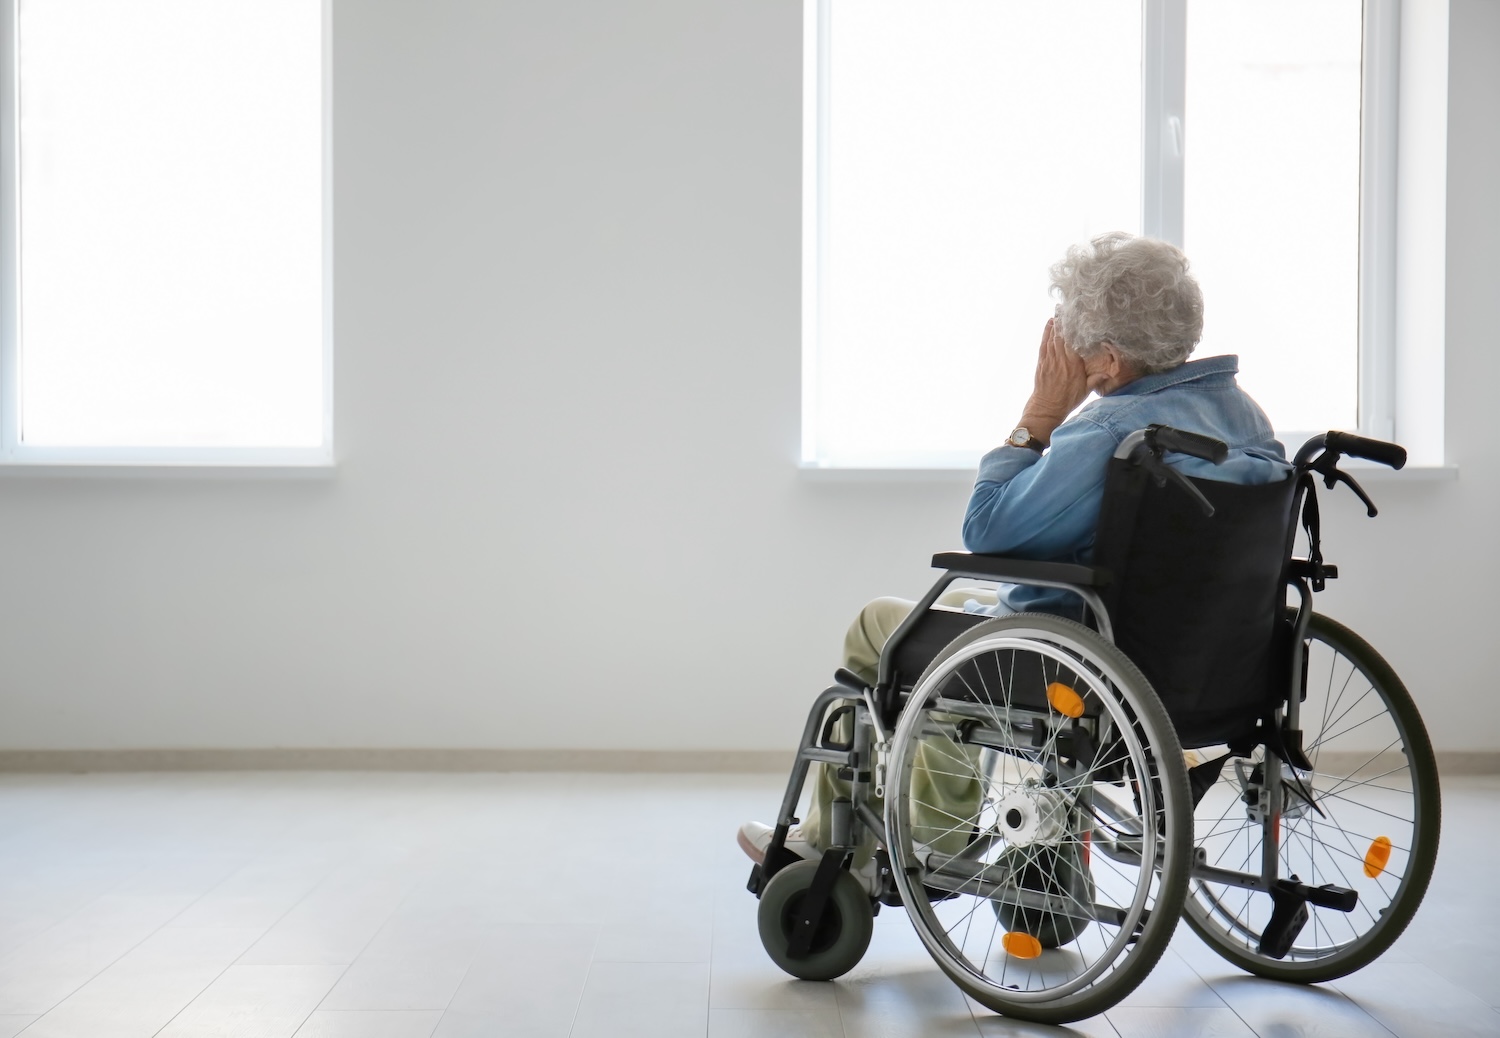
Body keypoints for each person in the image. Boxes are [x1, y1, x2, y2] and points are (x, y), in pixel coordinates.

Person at [738, 232, 1290, 888]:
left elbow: (988, 529)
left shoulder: (1108, 432)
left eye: (1072, 346)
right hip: (1207, 667)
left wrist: (1041, 414)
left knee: (880, 630)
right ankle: (1050, 862)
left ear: (1108, 361)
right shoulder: (1243, 416)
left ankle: (900, 835)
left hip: (1082, 660)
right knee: (980, 618)